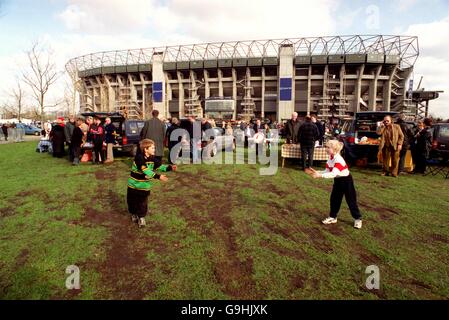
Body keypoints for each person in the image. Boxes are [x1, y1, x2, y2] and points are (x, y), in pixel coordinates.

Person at [309, 140, 363, 229]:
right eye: (326, 147)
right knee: (334, 199)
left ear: (334, 149)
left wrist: (320, 175)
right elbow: (327, 171)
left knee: (351, 201)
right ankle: (333, 217)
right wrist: (317, 172)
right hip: (338, 181)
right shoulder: (330, 157)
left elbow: (333, 173)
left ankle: (358, 219)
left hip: (346, 181)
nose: (325, 149)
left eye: (327, 147)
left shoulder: (338, 160)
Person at [127, 139, 176, 227]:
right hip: (133, 185)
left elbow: (160, 167)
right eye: (152, 148)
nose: (154, 150)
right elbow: (145, 170)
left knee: (143, 202)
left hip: (144, 186)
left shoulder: (153, 159)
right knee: (132, 201)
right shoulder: (139, 158)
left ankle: (141, 218)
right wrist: (158, 176)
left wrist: (170, 167)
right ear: (146, 149)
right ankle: (134, 214)